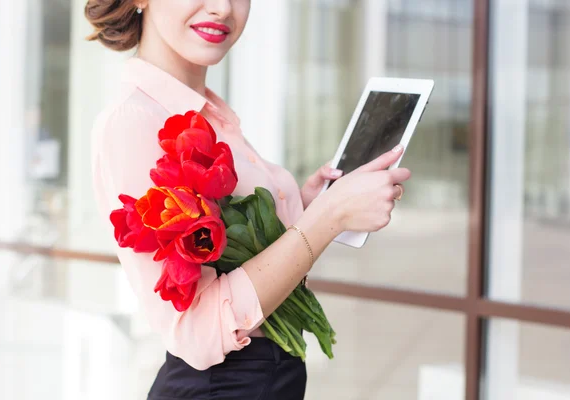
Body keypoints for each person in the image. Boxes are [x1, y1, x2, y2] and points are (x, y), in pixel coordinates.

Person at [86, 1, 410, 399]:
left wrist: (302, 206)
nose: (223, 8)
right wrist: (330, 215)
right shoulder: (135, 122)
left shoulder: (205, 109)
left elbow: (235, 260)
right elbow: (197, 330)